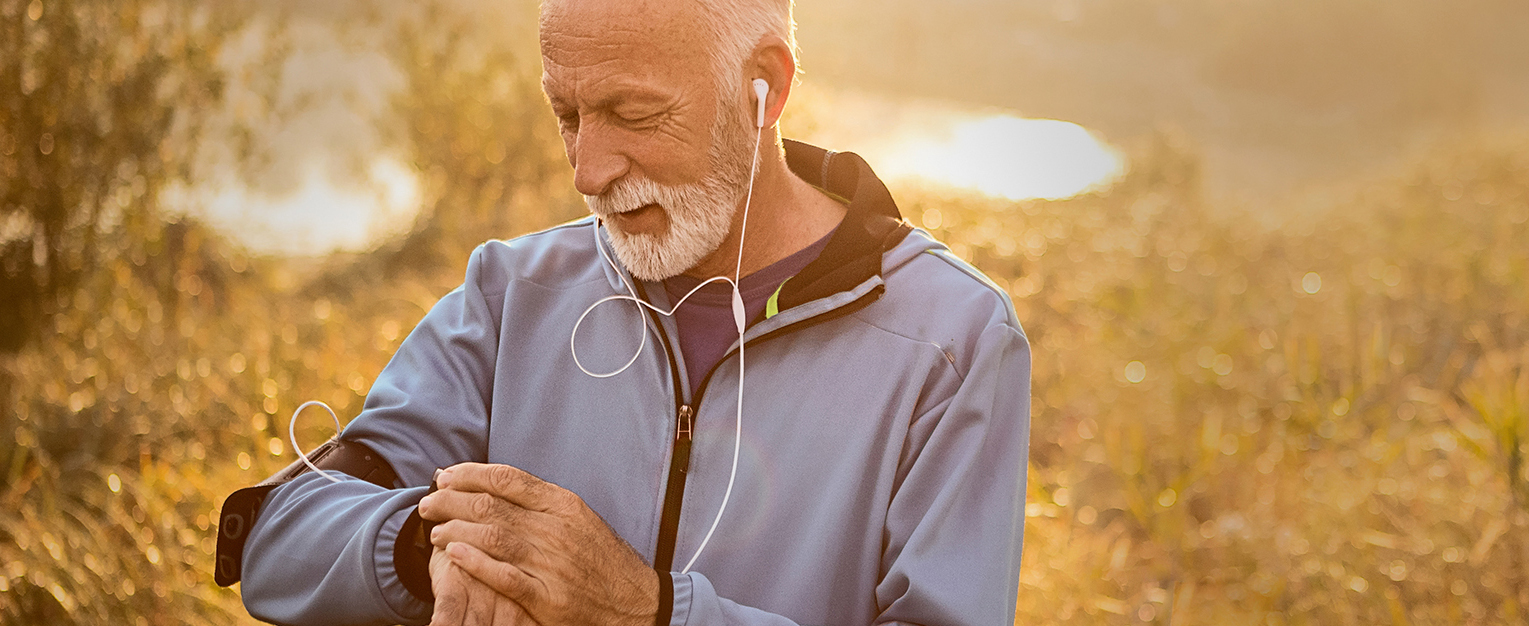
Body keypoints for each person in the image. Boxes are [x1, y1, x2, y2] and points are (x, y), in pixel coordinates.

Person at [216, 1, 1032, 624]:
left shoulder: (953, 344)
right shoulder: (510, 293)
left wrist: (647, 610)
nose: (588, 170)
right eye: (566, 116)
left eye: (635, 116)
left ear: (767, 89)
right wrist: (430, 546)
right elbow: (276, 538)